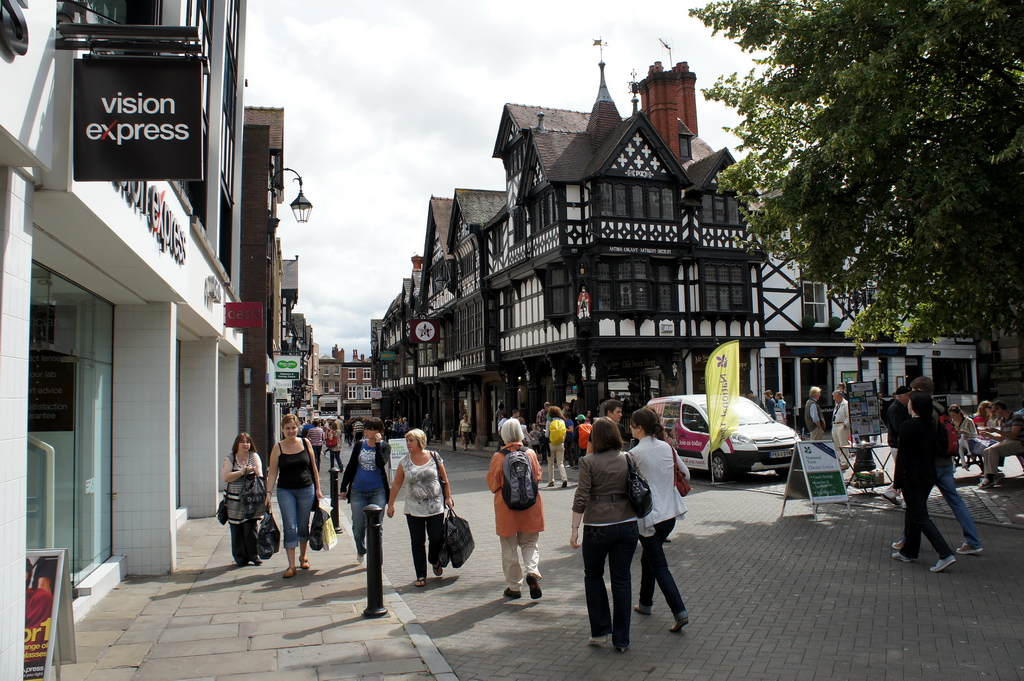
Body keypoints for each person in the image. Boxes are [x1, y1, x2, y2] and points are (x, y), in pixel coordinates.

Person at [570, 418, 639, 653]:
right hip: (628, 524)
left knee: (593, 576)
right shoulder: (628, 458)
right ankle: (622, 638)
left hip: (597, 525)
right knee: (622, 580)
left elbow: (581, 496)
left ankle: (600, 631)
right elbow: (639, 486)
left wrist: (574, 528)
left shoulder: (587, 462)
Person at [628, 407, 690, 632]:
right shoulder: (667, 447)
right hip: (670, 513)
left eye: (632, 424)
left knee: (659, 565)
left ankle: (679, 611)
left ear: (639, 427)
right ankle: (645, 603)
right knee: (649, 560)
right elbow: (686, 474)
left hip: (649, 518)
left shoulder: (634, 454)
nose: (630, 428)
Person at [891, 392, 957, 572]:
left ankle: (945, 553)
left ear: (915, 406)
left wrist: (896, 483)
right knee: (913, 512)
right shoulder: (930, 425)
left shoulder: (907, 426)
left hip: (912, 477)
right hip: (928, 475)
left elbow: (902, 456)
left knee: (920, 516)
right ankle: (908, 552)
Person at [487, 419, 546, 599]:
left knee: (509, 548)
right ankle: (532, 571)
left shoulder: (499, 456)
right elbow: (538, 477)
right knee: (530, 543)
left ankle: (514, 587)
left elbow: (493, 483)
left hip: (506, 507)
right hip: (530, 505)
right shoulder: (530, 453)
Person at [386, 428, 453, 587]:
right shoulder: (405, 462)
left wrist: (448, 497)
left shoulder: (434, 457)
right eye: (407, 440)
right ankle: (421, 575)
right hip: (413, 508)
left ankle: (434, 560)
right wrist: (391, 504)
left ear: (420, 441)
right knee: (417, 542)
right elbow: (396, 484)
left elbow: (444, 479)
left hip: (435, 506)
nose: (408, 443)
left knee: (436, 538)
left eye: (411, 440)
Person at [265, 415, 323, 578]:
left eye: (293, 428)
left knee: (303, 525)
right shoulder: (278, 447)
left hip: (306, 489)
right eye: (287, 428)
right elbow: (273, 473)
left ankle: (303, 557)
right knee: (290, 526)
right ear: (282, 430)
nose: (291, 431)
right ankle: (291, 566)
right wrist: (268, 493)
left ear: (298, 428)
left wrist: (318, 488)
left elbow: (314, 467)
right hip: (285, 490)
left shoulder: (305, 443)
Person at [340, 416, 391, 564]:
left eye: (369, 429)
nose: (365, 431)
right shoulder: (359, 445)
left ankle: (376, 562)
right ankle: (361, 549)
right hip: (358, 490)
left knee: (376, 528)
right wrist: (344, 487)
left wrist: (378, 445)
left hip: (378, 491)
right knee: (357, 527)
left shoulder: (385, 446)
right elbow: (350, 466)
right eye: (366, 428)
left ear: (378, 431)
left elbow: (380, 463)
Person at [221, 432, 264, 567]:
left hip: (251, 499)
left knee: (250, 528)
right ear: (237, 444)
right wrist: (241, 472)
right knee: (236, 528)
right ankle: (240, 557)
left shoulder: (254, 456)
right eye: (243, 442)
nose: (246, 445)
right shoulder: (230, 458)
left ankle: (254, 555)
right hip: (234, 500)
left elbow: (259, 474)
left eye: (248, 442)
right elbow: (226, 477)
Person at [978, 400, 1024, 488]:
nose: (994, 413)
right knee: (987, 450)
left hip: (1019, 443)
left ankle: (990, 477)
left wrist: (996, 430)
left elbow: (1014, 435)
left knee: (993, 450)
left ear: (1000, 409)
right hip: (1009, 442)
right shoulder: (1003, 420)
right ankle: (988, 476)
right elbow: (1002, 438)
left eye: (994, 411)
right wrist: (989, 435)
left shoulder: (1016, 417)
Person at [880, 386, 912, 506]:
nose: (910, 398)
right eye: (908, 395)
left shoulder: (902, 407)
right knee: (904, 472)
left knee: (904, 472)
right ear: (901, 396)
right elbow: (898, 428)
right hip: (897, 444)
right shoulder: (895, 408)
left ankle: (891, 493)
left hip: (900, 444)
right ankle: (904, 500)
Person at [546, 405, 569, 488]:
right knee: (560, 463)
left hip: (551, 444)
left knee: (550, 463)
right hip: (560, 443)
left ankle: (551, 481)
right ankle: (564, 478)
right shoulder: (562, 421)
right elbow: (565, 433)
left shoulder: (549, 421)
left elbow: (546, 435)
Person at [831, 389, 852, 470]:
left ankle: (845, 462)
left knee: (843, 444)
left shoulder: (845, 404)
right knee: (837, 445)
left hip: (841, 425)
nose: (834, 399)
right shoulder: (837, 405)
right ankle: (841, 461)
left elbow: (848, 416)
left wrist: (845, 425)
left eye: (835, 397)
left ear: (840, 396)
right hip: (835, 425)